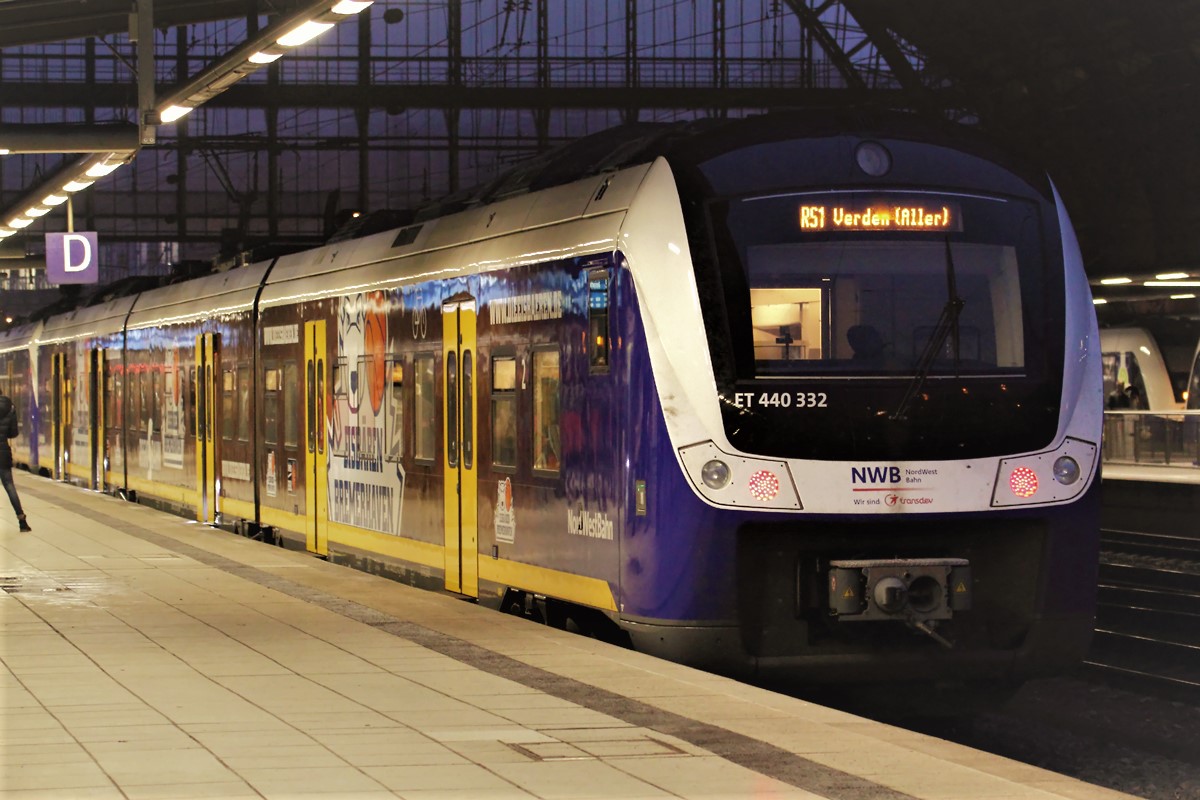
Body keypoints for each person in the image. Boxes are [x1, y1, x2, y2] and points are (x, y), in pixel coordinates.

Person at [0, 393, 31, 532]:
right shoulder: (10, 407)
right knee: (9, 485)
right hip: (3, 453)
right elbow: (13, 433)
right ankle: (22, 521)